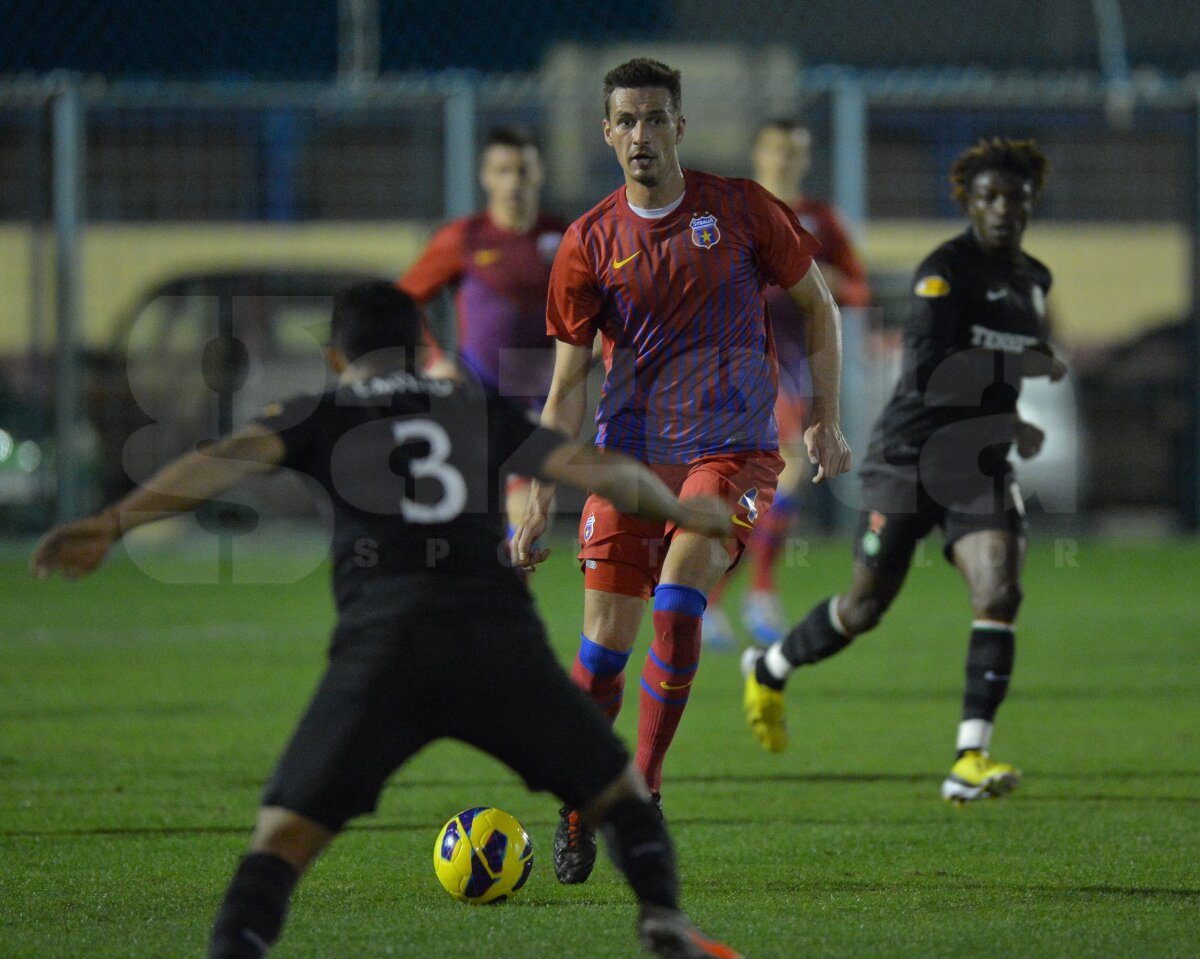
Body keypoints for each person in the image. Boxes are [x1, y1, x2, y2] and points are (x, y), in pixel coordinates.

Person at [30, 282, 744, 959]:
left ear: (337, 357)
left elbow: (220, 461)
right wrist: (680, 510)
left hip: (385, 646)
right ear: (419, 347)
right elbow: (594, 467)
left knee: (281, 837)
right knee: (620, 793)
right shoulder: (473, 404)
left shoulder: (321, 410)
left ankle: (234, 947)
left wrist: (113, 521)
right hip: (497, 641)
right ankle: (660, 912)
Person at [510, 58, 851, 883]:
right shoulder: (590, 241)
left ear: (680, 127)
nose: (639, 135)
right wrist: (533, 497)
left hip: (730, 453)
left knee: (676, 603)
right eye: (625, 121)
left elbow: (820, 305)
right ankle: (578, 800)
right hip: (628, 458)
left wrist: (827, 419)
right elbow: (566, 385)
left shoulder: (738, 209)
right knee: (599, 655)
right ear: (606, 133)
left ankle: (645, 791)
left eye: (654, 119)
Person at [742, 138, 1066, 804]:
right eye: (989, 197)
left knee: (999, 589)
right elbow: (933, 376)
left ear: (1032, 201)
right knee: (863, 608)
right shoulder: (941, 273)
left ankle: (968, 757)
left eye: (1016, 196)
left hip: (978, 463)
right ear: (968, 203)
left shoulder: (1035, 279)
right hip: (911, 459)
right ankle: (770, 665)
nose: (1004, 208)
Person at [704, 119, 873, 649]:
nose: (785, 160)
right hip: (728, 366)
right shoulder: (729, 210)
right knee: (739, 485)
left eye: (795, 152)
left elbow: (856, 289)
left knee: (779, 477)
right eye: (776, 149)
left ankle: (743, 594)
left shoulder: (819, 220)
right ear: (758, 153)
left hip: (790, 369)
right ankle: (727, 595)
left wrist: (809, 275)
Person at [398, 126, 565, 534]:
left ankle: (508, 591)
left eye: (523, 170)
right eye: (503, 170)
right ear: (485, 176)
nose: (513, 181)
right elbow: (401, 302)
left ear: (540, 173)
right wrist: (435, 359)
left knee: (531, 520)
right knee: (471, 521)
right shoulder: (465, 238)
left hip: (538, 396)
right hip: (475, 393)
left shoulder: (564, 237)